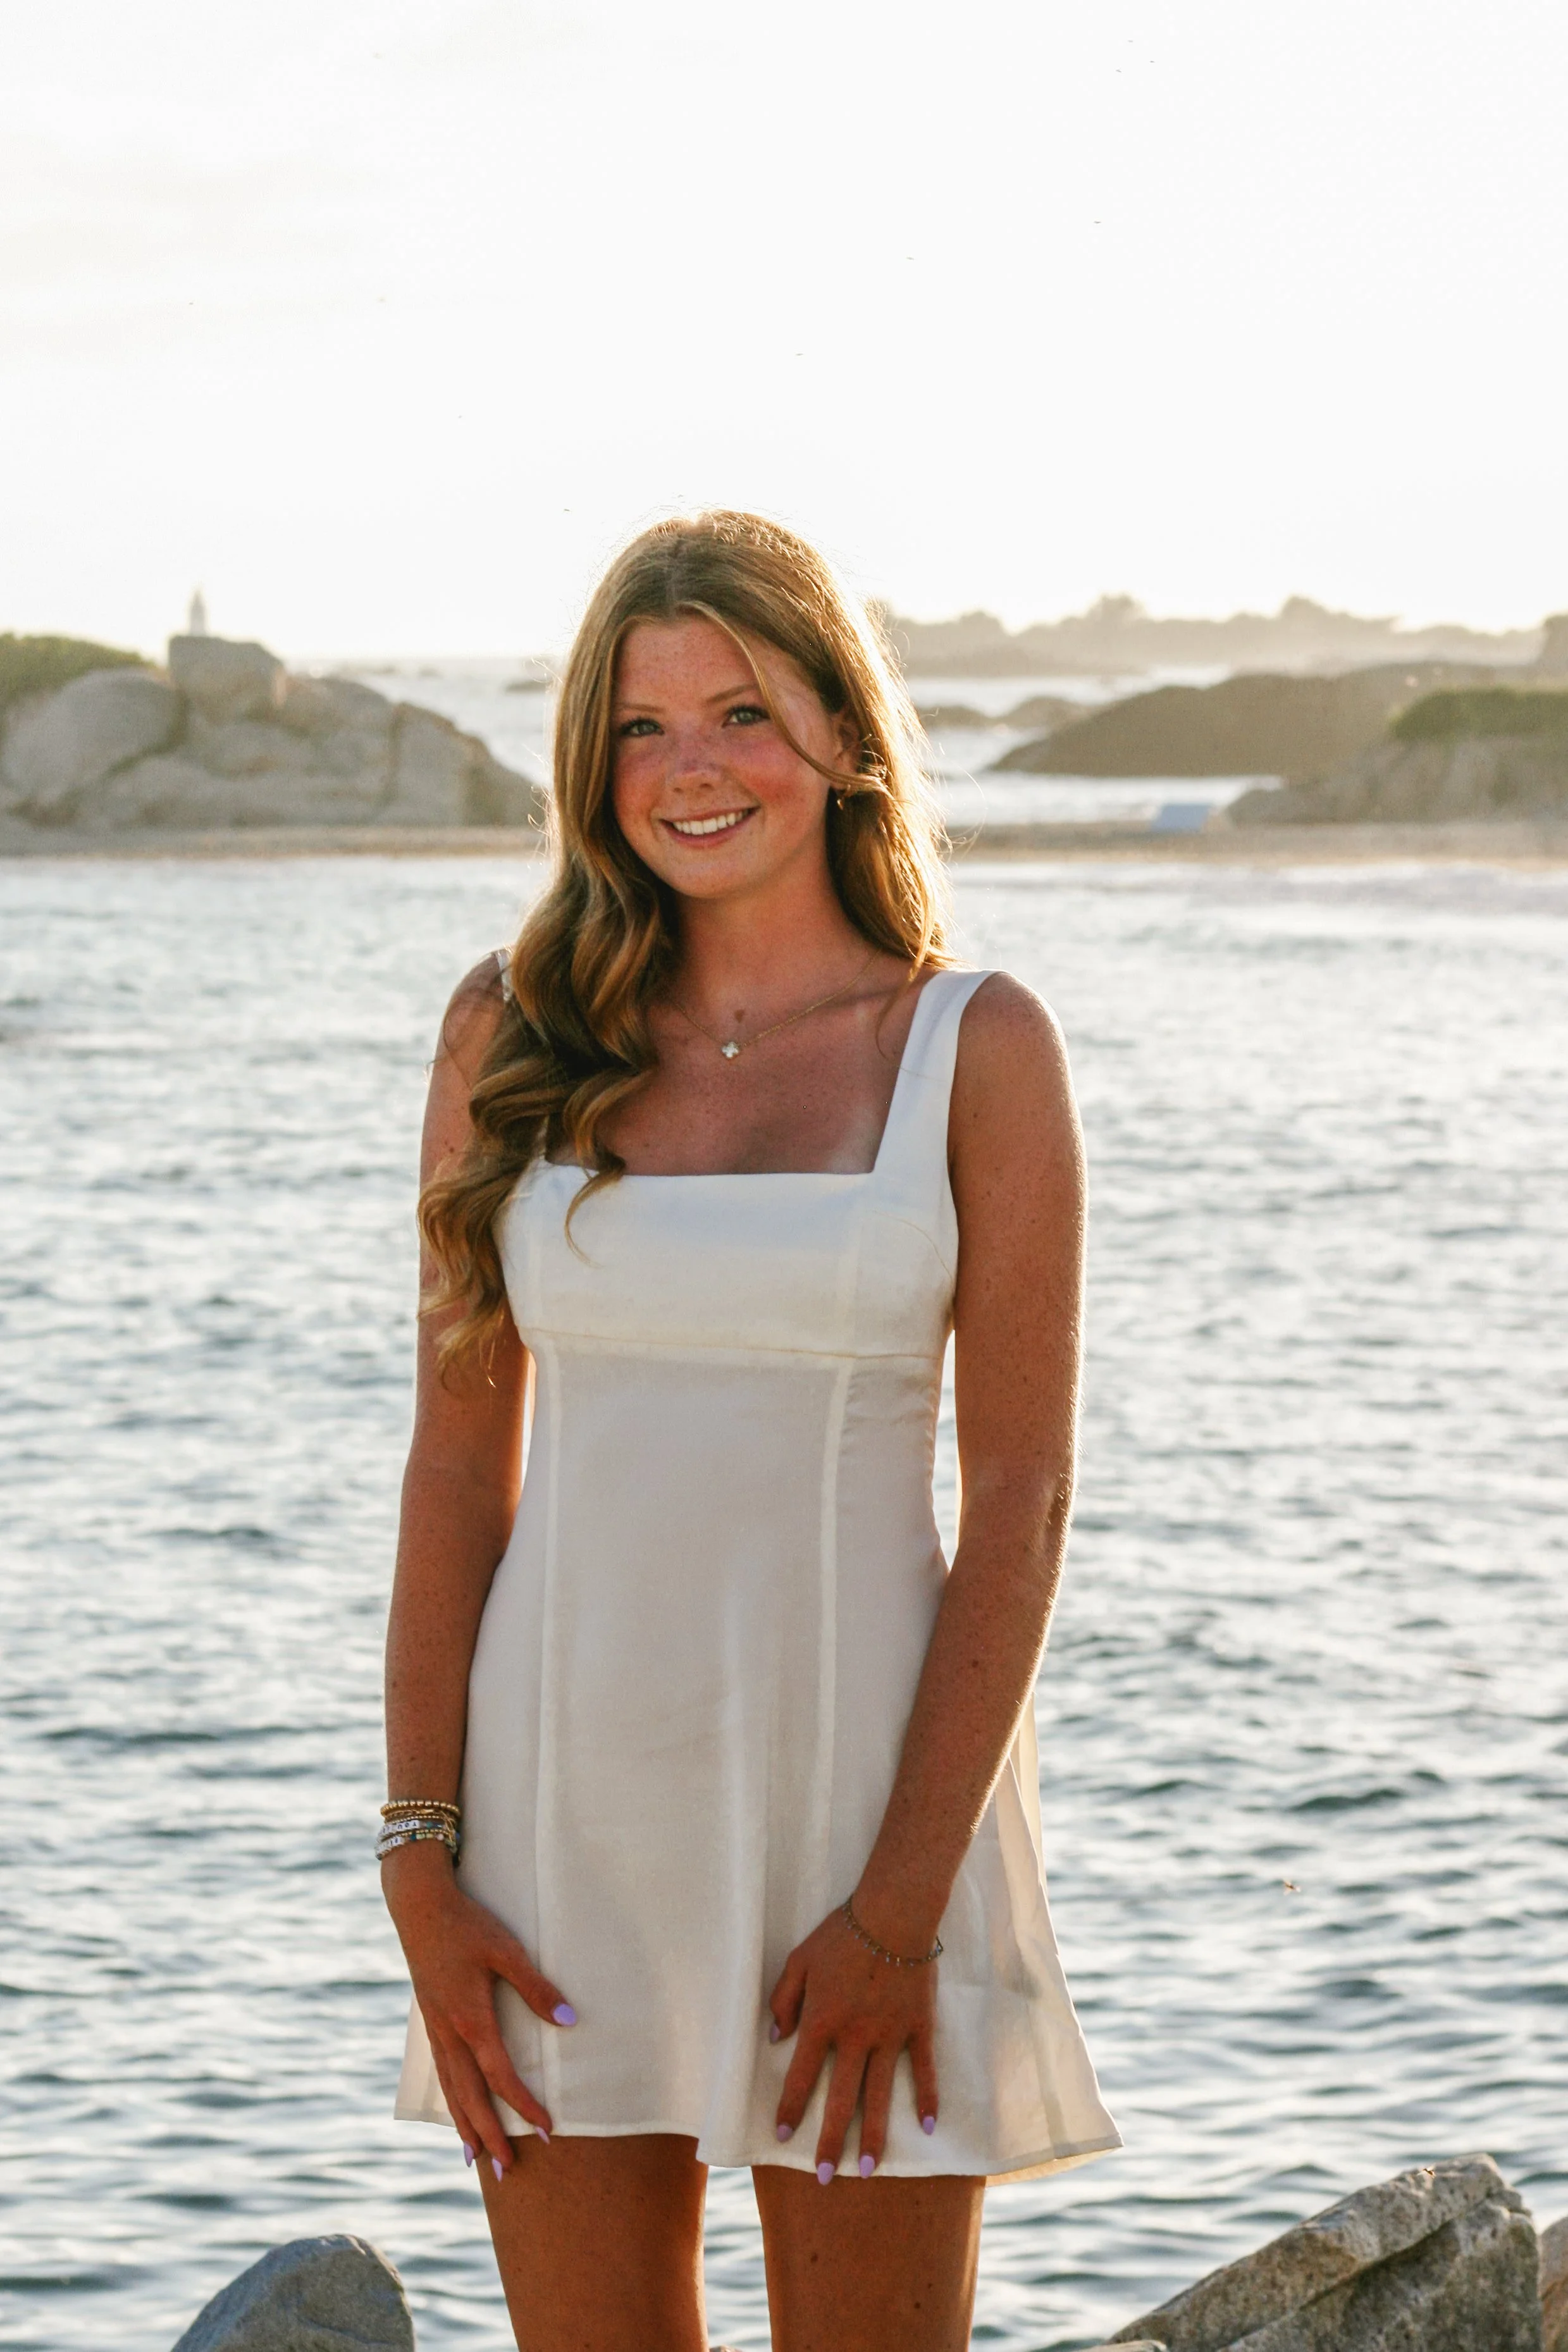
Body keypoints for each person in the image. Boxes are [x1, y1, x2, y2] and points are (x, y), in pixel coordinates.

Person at [381, 511, 1118, 2352]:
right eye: (641, 727)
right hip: (556, 1827)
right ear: (592, 762)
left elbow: (1022, 1500)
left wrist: (899, 1909)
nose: (689, 769)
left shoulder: (973, 1047)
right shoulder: (510, 1034)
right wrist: (418, 1863)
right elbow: (456, 1473)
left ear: (846, 735)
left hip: (871, 1827)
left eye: (740, 713)